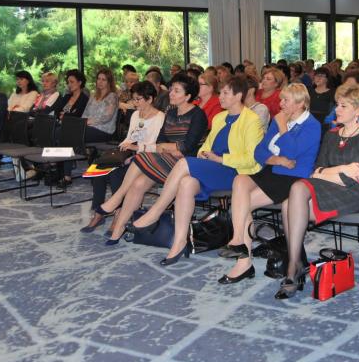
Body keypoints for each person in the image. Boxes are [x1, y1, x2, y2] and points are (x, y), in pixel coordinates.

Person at [128, 77, 264, 265]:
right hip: (214, 167)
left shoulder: (252, 120)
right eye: (221, 92)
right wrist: (203, 154)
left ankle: (155, 213)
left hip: (236, 172)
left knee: (184, 163)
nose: (220, 97)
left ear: (238, 96)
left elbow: (252, 159)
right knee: (186, 183)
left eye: (225, 93)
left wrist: (221, 159)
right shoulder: (219, 118)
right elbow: (206, 146)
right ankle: (179, 242)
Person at [274, 83, 359, 299]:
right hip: (330, 187)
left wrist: (327, 172)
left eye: (343, 106)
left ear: (358, 111)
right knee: (287, 203)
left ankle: (294, 267)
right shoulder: (331, 134)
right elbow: (316, 170)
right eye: (337, 104)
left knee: (296, 191)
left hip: (358, 192)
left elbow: (352, 178)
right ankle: (295, 263)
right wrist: (340, 169)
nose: (336, 110)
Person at [218, 84, 321, 284]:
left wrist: (282, 127)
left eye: (286, 100)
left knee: (241, 205)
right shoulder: (280, 119)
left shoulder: (311, 125)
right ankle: (239, 240)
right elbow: (259, 151)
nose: (280, 104)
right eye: (281, 99)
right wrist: (277, 160)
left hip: (293, 178)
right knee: (240, 180)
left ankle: (243, 261)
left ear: (300, 103)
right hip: (272, 170)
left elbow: (293, 152)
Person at [86, 74, 206, 242]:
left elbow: (187, 147)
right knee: (137, 184)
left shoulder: (198, 115)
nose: (171, 93)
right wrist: (171, 147)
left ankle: (116, 199)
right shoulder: (171, 112)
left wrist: (169, 147)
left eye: (176, 91)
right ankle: (118, 229)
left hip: (186, 165)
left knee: (138, 158)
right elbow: (160, 142)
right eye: (171, 89)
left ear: (188, 96)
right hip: (165, 160)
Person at [82, 81, 164, 233]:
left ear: (150, 99)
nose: (135, 103)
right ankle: (98, 212)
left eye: (138, 99)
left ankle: (118, 214)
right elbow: (129, 138)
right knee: (99, 169)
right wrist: (122, 149)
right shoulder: (136, 115)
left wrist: (135, 149)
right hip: (130, 153)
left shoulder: (160, 117)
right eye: (134, 99)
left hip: (146, 157)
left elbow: (156, 146)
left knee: (116, 174)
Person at [81, 68, 119, 142]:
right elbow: (85, 113)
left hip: (104, 130)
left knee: (76, 133)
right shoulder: (93, 96)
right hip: (88, 127)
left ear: (109, 82)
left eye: (104, 80)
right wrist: (82, 123)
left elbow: (106, 117)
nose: (100, 82)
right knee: (66, 130)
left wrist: (89, 122)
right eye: (98, 79)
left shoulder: (112, 96)